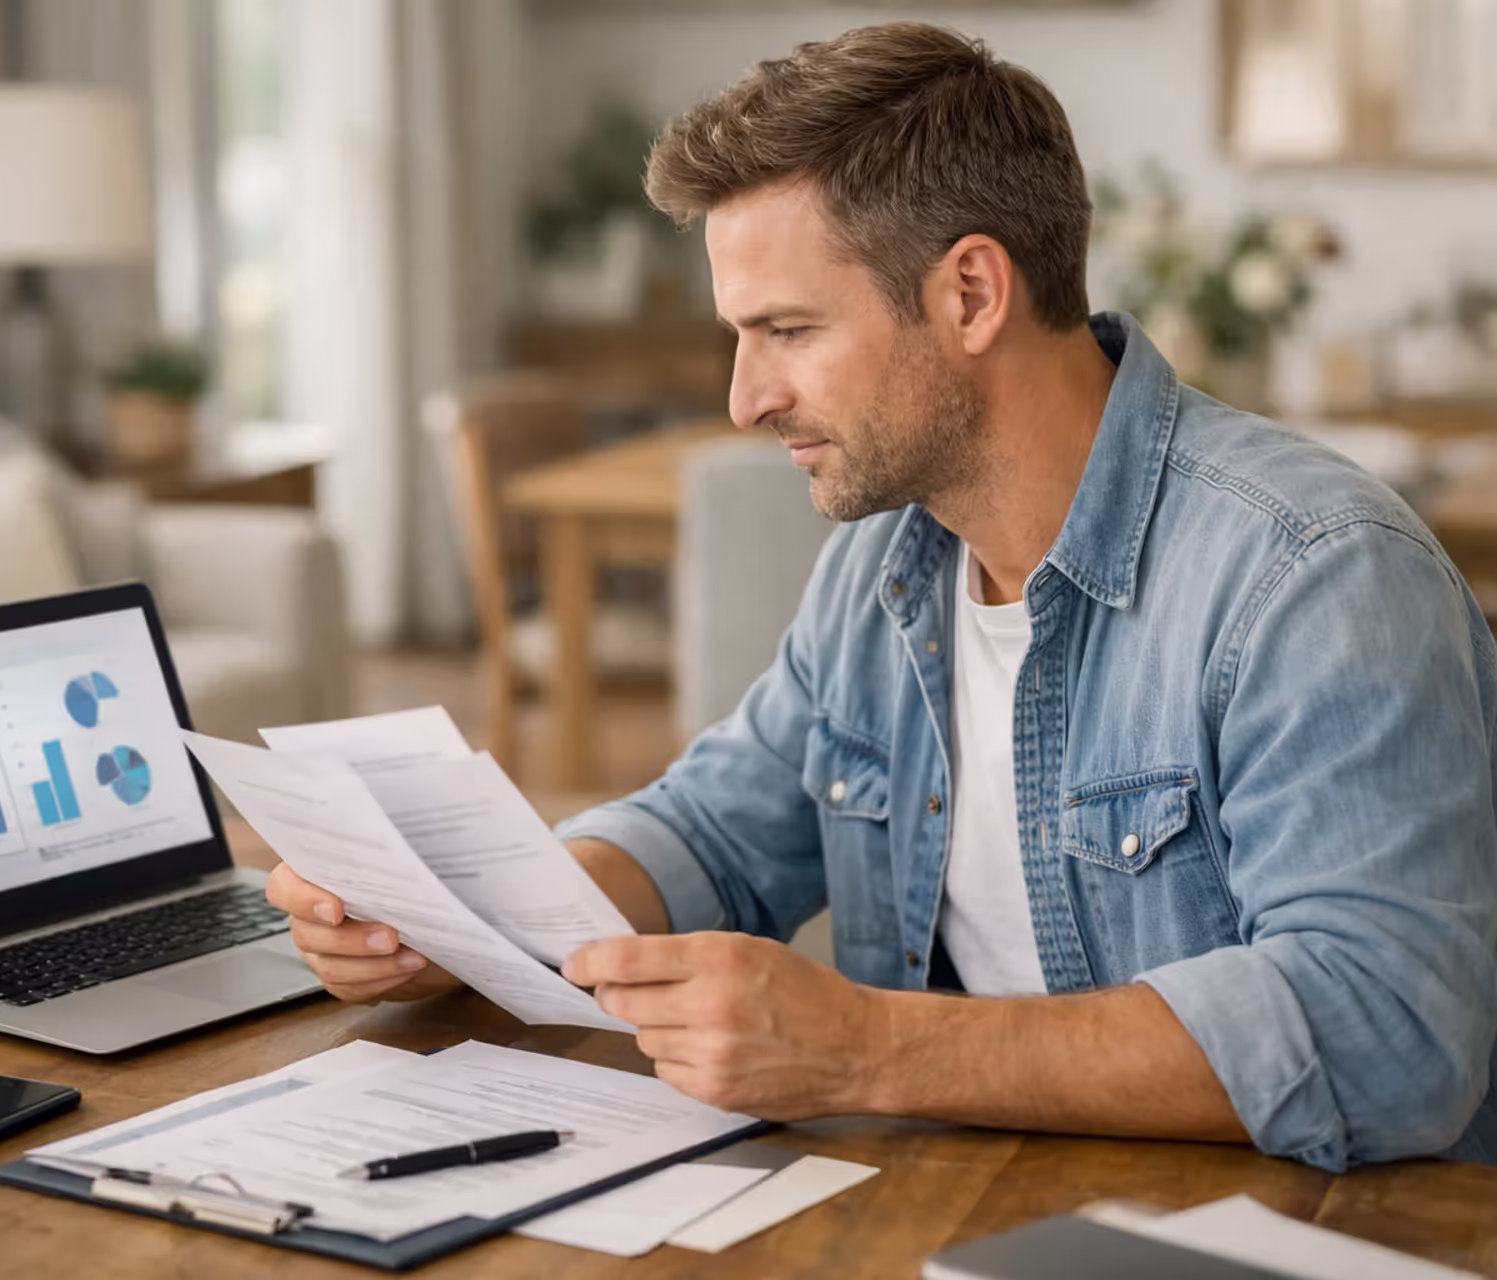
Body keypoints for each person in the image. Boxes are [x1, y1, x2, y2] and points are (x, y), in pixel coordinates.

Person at [266, 22, 1497, 1172]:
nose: (745, 399)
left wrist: (868, 1047)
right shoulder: (889, 563)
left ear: (972, 294)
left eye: (788, 329)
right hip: (968, 1197)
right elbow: (714, 832)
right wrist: (456, 915)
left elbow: (1389, 1032)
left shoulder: (1315, 575)